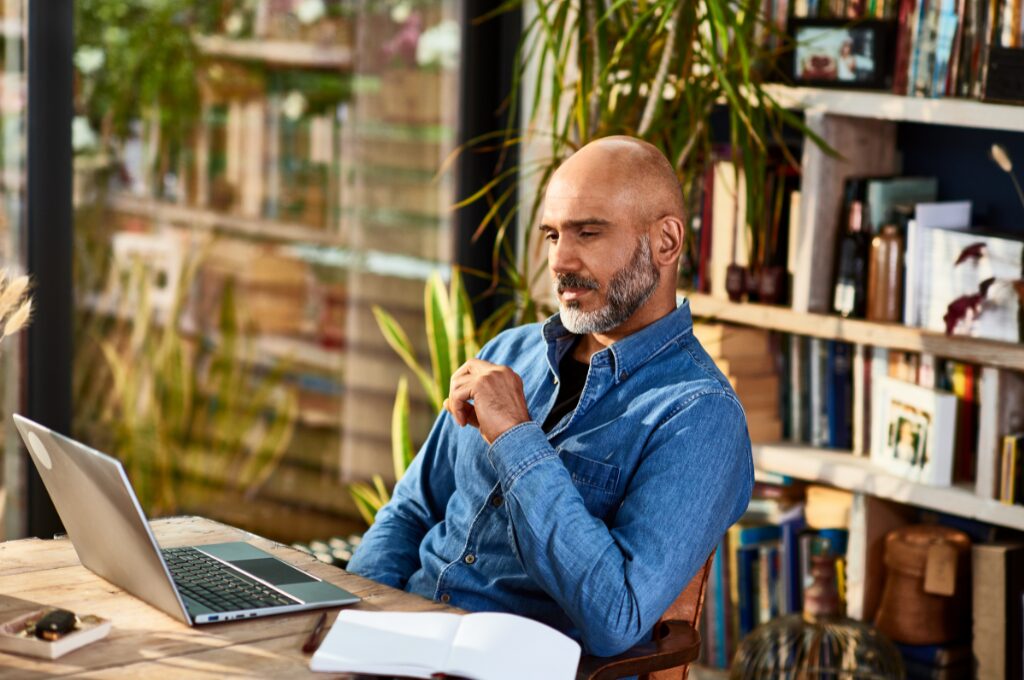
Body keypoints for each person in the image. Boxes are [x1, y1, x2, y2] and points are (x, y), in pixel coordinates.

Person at [347, 136, 754, 657]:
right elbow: (410, 511)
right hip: (397, 644)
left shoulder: (699, 415)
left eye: (588, 232)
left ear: (666, 242)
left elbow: (616, 616)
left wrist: (517, 437)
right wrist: (357, 615)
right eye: (552, 235)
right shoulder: (509, 352)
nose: (560, 260)